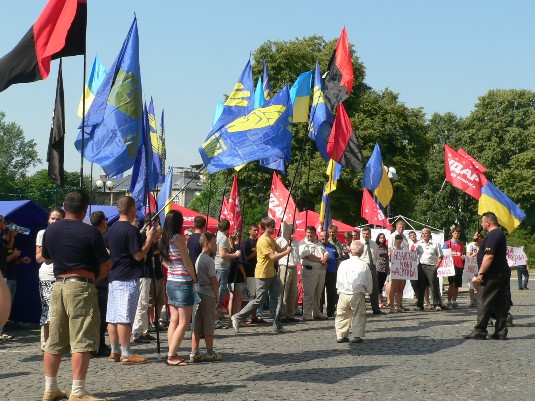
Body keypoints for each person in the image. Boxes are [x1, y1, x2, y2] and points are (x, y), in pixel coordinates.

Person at [41, 190, 111, 401]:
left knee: (55, 339)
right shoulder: (91, 233)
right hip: (81, 286)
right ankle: (78, 391)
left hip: (58, 286)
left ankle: (50, 388)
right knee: (82, 339)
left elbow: (47, 259)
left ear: (64, 206)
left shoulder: (50, 231)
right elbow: (106, 265)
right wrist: (92, 279)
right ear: (85, 210)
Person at [106, 196, 155, 365]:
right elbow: (138, 255)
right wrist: (148, 239)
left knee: (112, 316)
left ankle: (115, 350)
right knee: (125, 317)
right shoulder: (130, 230)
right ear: (132, 208)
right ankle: (126, 352)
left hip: (114, 275)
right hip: (127, 276)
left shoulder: (112, 228)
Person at [231, 217, 293, 334]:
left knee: (278, 298)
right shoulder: (263, 240)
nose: (273, 228)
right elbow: (273, 257)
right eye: (271, 226)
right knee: (259, 300)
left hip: (272, 273)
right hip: (263, 273)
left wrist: (288, 244)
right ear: (265, 227)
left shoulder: (270, 238)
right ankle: (237, 317)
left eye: (273, 225)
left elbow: (280, 250)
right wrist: (286, 252)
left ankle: (277, 324)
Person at [464, 212, 511, 340]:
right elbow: (486, 251)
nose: (481, 224)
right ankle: (501, 332)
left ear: (488, 222)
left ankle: (480, 330)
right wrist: (481, 241)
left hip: (492, 274)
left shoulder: (494, 234)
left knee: (482, 300)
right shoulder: (497, 234)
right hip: (501, 273)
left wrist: (481, 273)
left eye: (482, 222)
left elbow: (489, 256)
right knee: (500, 303)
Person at [160, 210, 198, 365]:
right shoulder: (178, 238)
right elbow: (187, 261)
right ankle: (171, 355)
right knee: (184, 321)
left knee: (174, 320)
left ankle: (172, 350)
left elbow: (162, 259)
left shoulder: (164, 238)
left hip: (171, 280)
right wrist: (194, 278)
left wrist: (171, 269)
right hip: (183, 281)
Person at [35, 208, 65, 352]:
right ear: (48, 219)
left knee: (61, 310)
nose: (54, 221)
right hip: (47, 275)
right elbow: (39, 257)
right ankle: (45, 341)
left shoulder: (66, 234)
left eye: (58, 219)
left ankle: (58, 341)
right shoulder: (43, 233)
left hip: (63, 275)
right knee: (48, 309)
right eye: (52, 218)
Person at [190, 232, 222, 362]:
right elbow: (214, 280)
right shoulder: (208, 260)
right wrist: (217, 295)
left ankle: (194, 351)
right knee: (209, 323)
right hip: (208, 292)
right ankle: (210, 351)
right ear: (207, 243)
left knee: (197, 324)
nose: (215, 245)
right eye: (214, 243)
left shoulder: (199, 258)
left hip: (198, 291)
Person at [335, 240, 373, 344]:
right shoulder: (364, 265)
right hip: (357, 292)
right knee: (358, 314)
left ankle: (341, 335)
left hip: (343, 292)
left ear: (350, 250)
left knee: (342, 314)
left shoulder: (343, 263)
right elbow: (368, 280)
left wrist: (339, 290)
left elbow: (338, 279)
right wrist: (368, 291)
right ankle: (356, 335)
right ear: (362, 251)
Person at [132, 214, 161, 344]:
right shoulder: (143, 234)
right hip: (143, 273)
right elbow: (141, 256)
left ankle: (144, 330)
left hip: (149, 272)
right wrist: (149, 239)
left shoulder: (149, 233)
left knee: (146, 302)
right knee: (142, 303)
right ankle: (138, 332)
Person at [89, 210, 111, 357]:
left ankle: (98, 343)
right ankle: (98, 345)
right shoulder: (97, 236)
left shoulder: (93, 234)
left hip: (94, 279)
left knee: (96, 316)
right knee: (100, 316)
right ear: (103, 221)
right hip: (98, 280)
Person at [214, 219, 241, 329]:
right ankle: (215, 320)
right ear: (228, 228)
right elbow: (222, 254)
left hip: (216, 267)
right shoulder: (223, 238)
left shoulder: (216, 235)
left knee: (218, 293)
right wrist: (235, 254)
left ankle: (215, 318)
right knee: (220, 294)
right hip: (221, 267)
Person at [299, 226, 329, 321]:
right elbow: (308, 256)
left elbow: (326, 253)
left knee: (318, 293)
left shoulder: (318, 243)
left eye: (311, 232)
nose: (310, 234)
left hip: (321, 270)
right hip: (310, 270)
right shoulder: (303, 243)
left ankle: (316, 312)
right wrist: (321, 260)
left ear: (315, 234)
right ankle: (307, 314)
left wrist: (325, 258)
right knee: (309, 293)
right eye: (308, 232)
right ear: (305, 233)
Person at [415, 228, 444, 311]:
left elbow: (441, 256)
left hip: (431, 266)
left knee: (433, 285)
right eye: (422, 233)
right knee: (421, 286)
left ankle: (437, 304)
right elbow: (414, 255)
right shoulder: (418, 244)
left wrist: (436, 266)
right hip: (421, 266)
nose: (424, 235)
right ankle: (420, 305)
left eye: (426, 233)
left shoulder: (435, 244)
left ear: (430, 234)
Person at [275, 225, 300, 323]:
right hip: (284, 266)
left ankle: (290, 313)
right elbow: (276, 253)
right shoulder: (280, 241)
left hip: (293, 266)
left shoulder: (295, 241)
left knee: (293, 291)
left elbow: (297, 254)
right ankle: (282, 312)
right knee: (283, 290)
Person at [360, 227, 384, 315]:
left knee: (374, 288)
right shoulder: (359, 244)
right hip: (362, 266)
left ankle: (376, 309)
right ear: (362, 234)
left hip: (372, 266)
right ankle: (361, 308)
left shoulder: (374, 244)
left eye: (367, 234)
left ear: (370, 234)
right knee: (361, 287)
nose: (365, 235)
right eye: (364, 234)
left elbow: (376, 257)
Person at [243, 224, 263, 322]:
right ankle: (249, 315)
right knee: (251, 294)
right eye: (254, 230)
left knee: (258, 294)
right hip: (250, 271)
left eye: (257, 230)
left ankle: (256, 315)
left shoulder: (259, 241)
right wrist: (256, 252)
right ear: (249, 231)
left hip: (259, 270)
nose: (256, 232)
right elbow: (245, 258)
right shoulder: (247, 242)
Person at [319, 230, 339, 318]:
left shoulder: (333, 247)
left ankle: (330, 312)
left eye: (325, 236)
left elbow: (337, 258)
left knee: (331, 292)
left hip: (332, 272)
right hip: (320, 271)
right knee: (320, 292)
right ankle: (319, 311)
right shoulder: (317, 246)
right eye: (322, 236)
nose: (323, 238)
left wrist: (337, 267)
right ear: (319, 237)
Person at [443, 227, 465, 308]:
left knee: (457, 284)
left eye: (458, 233)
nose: (456, 234)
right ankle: (449, 301)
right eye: (455, 233)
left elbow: (462, 254)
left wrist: (463, 257)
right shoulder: (447, 243)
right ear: (452, 233)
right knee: (451, 284)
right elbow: (443, 254)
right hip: (451, 266)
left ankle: (454, 301)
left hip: (459, 265)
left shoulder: (461, 244)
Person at [227, 231, 246, 318]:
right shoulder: (239, 248)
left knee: (231, 298)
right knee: (238, 298)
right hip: (237, 275)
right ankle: (236, 318)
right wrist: (244, 274)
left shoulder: (230, 247)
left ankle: (231, 316)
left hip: (230, 274)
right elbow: (240, 263)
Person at [466, 231, 484, 306]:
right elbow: (469, 256)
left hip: (481, 265)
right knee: (471, 283)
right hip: (472, 265)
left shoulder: (483, 245)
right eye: (475, 236)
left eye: (478, 236)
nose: (476, 237)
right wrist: (478, 252)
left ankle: (480, 298)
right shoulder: (471, 245)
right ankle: (471, 301)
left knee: (480, 282)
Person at [375, 233, 389, 308]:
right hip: (378, 267)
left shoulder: (386, 247)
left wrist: (388, 268)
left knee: (381, 284)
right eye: (380, 237)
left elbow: (387, 258)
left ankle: (380, 300)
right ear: (378, 238)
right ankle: (378, 301)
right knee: (378, 285)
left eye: (383, 237)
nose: (382, 239)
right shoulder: (376, 246)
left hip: (385, 267)